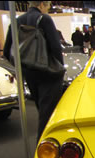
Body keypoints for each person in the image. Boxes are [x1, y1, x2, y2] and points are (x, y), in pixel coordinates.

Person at [4, 1, 64, 141]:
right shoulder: (44, 19)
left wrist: (23, 68)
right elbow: (56, 47)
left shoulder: (17, 21)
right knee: (48, 114)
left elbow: (7, 51)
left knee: (42, 110)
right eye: (48, 6)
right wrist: (60, 67)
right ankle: (43, 147)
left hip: (29, 73)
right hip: (49, 73)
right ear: (42, 4)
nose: (48, 9)